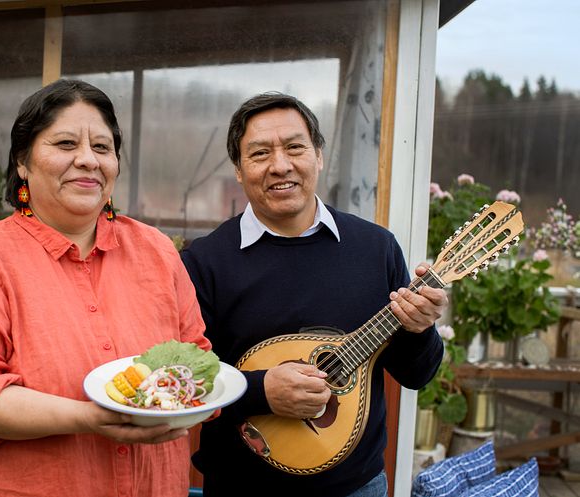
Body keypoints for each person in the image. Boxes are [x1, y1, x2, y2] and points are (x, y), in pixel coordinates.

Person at [0, 79, 210, 497]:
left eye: (102, 147)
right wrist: (89, 417)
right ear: (23, 161)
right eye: (64, 144)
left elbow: (196, 360)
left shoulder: (156, 252)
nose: (87, 160)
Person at [180, 92, 448, 497]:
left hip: (357, 487)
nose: (280, 165)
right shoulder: (204, 262)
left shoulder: (375, 249)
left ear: (318, 156)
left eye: (294, 147)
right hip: (241, 486)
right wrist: (261, 391)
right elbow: (186, 379)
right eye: (259, 153)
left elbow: (416, 375)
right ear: (238, 169)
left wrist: (419, 327)